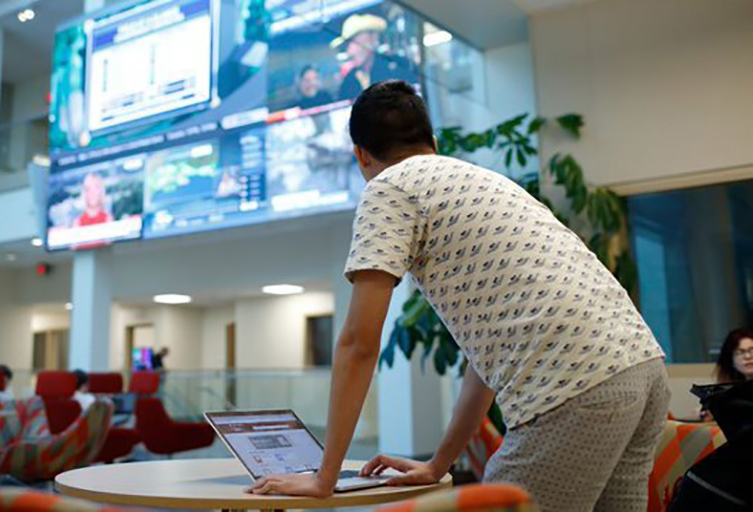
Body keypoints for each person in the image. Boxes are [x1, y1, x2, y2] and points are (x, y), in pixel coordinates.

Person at [250, 81, 669, 512]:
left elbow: (358, 343)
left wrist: (325, 478)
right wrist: (438, 465)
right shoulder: (486, 182)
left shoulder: (389, 187)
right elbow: (487, 361)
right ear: (432, 142)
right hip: (643, 367)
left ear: (361, 155)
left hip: (572, 382)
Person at [332, 14, 416, 101]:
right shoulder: (348, 82)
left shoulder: (398, 66)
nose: (350, 52)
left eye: (353, 43)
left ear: (372, 39)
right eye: (346, 46)